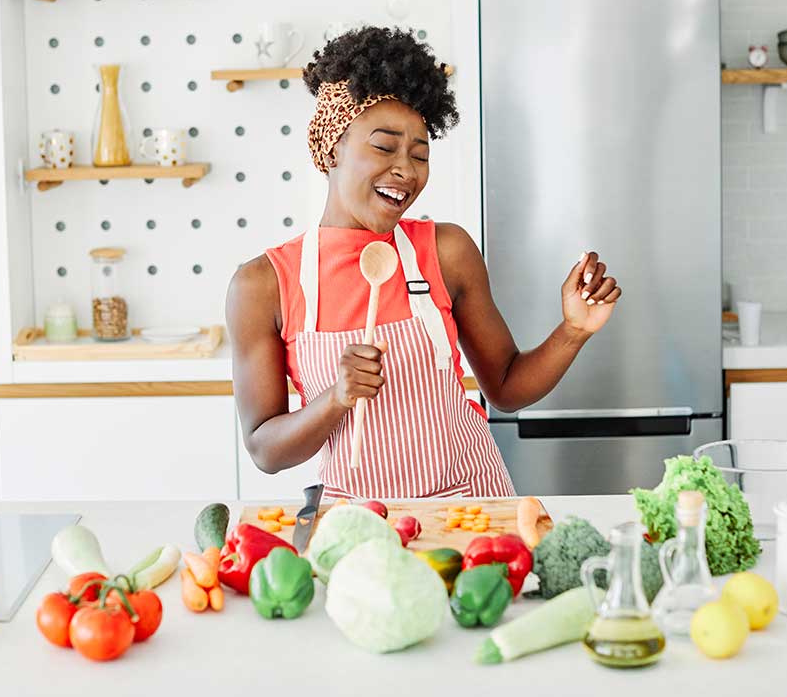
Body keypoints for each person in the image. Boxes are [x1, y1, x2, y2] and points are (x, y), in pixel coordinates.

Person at [226, 27, 622, 498]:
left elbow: (508, 388)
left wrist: (573, 330)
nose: (407, 171)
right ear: (332, 147)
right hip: (358, 520)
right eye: (384, 146)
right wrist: (337, 399)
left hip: (471, 506)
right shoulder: (262, 285)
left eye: (420, 154)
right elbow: (265, 451)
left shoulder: (447, 251)